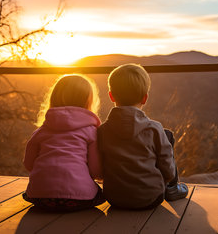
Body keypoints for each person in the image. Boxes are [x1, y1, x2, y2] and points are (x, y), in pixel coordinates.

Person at [98, 64, 188, 210]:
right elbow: (168, 169)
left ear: (111, 96)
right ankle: (173, 189)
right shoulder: (154, 129)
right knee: (167, 135)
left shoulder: (102, 130)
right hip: (150, 198)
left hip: (114, 198)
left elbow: (100, 168)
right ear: (145, 98)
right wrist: (164, 181)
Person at [22, 74, 105, 212]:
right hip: (78, 199)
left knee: (29, 192)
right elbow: (95, 170)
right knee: (100, 194)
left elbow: (28, 164)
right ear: (88, 102)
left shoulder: (42, 131)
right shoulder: (91, 132)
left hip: (40, 196)